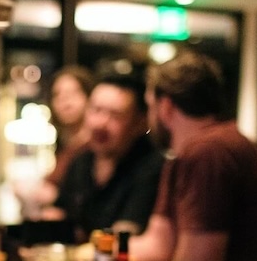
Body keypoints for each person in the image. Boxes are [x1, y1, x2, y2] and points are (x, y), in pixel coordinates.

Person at [130, 51, 257, 261]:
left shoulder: (209, 152)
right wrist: (99, 248)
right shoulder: (192, 151)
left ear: (166, 107)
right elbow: (157, 245)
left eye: (150, 106)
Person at [52, 73, 165, 242]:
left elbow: (124, 236)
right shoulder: (81, 162)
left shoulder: (152, 167)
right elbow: (60, 217)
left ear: (140, 123)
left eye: (115, 115)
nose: (100, 123)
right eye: (96, 110)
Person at [18, 65, 95, 218]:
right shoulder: (66, 146)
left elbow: (91, 201)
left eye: (73, 93)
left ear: (90, 97)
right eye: (57, 95)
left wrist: (55, 196)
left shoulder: (94, 147)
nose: (64, 100)